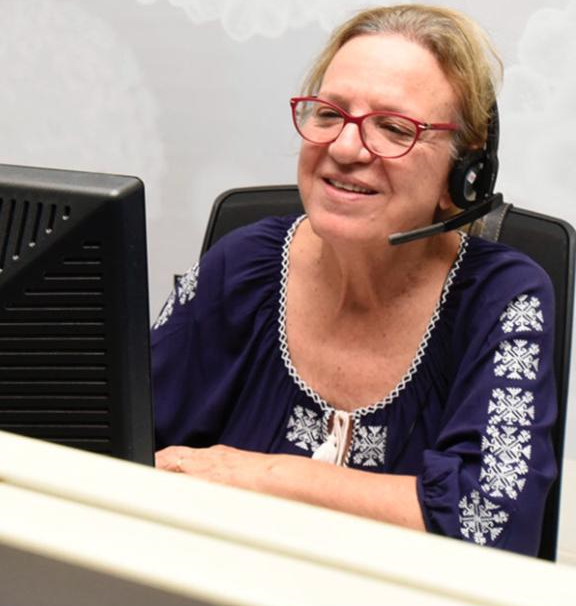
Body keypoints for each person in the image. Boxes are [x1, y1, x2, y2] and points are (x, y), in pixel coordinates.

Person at [152, 4, 557, 556]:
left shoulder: (504, 300)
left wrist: (265, 477)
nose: (344, 149)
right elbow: (120, 437)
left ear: (464, 174)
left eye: (394, 128)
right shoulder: (240, 265)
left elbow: (490, 522)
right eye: (329, 114)